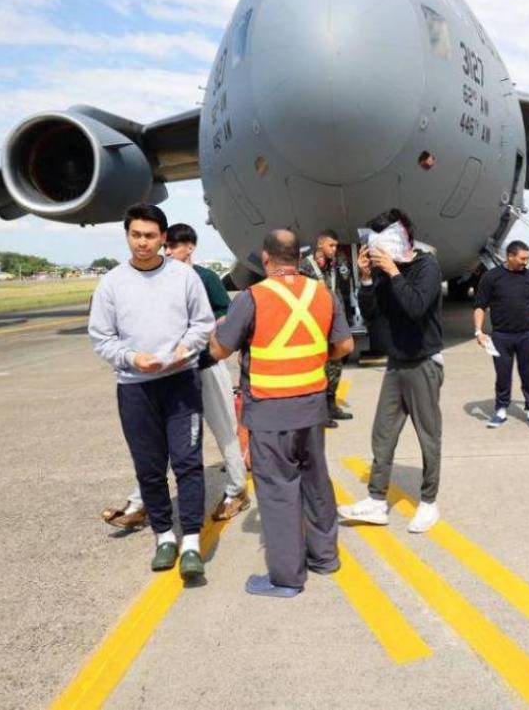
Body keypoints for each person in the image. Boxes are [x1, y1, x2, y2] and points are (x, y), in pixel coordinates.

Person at [210, 229, 354, 597]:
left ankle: (287, 578)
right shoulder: (321, 292)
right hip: (311, 407)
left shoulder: (252, 297)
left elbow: (219, 351)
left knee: (277, 492)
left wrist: (217, 332)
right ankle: (324, 558)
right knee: (316, 482)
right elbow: (344, 346)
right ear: (297, 256)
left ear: (266, 257)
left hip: (271, 411)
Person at [88, 204, 215, 580]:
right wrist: (130, 357)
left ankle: (190, 540)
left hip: (180, 384)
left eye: (150, 236)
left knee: (188, 463)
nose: (142, 242)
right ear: (128, 237)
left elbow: (202, 323)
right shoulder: (111, 283)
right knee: (149, 467)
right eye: (135, 235)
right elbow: (101, 336)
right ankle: (164, 536)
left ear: (163, 238)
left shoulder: (183, 277)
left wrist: (184, 351)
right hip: (135, 387)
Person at [100, 222, 249, 531]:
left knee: (225, 431)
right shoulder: (158, 280)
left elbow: (225, 317)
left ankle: (237, 490)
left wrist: (200, 345)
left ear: (189, 248)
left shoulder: (204, 278)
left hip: (204, 367)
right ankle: (142, 502)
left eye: (172, 247)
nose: (166, 251)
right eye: (165, 246)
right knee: (159, 444)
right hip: (168, 375)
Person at [340, 209, 445, 534]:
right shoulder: (385, 273)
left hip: (424, 362)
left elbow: (415, 307)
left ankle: (428, 502)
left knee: (428, 436)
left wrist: (393, 273)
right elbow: (373, 315)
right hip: (397, 363)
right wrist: (369, 279)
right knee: (382, 434)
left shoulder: (426, 266)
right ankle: (376, 500)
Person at [473, 240, 529, 430]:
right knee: (503, 375)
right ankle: (500, 410)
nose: (526, 262)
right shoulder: (491, 277)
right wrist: (478, 331)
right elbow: (480, 306)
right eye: (522, 258)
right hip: (501, 336)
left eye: (527, 258)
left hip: (526, 335)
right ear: (510, 256)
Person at [300, 228, 354, 428]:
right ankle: (319, 412)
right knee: (318, 367)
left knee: (335, 364)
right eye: (331, 245)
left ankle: (331, 404)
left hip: (333, 320)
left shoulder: (335, 263)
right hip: (315, 323)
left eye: (336, 246)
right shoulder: (306, 265)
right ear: (320, 243)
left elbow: (342, 286)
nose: (334, 249)